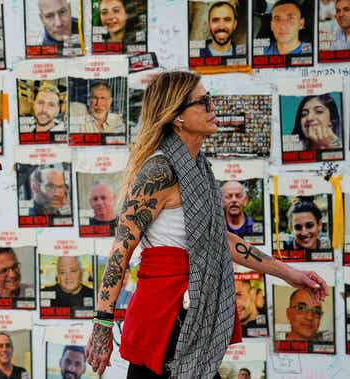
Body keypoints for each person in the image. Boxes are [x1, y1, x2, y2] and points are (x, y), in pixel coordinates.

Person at [85, 71, 328, 378]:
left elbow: (221, 240)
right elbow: (121, 249)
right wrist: (102, 324)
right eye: (203, 102)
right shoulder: (159, 170)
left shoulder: (200, 168)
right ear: (177, 117)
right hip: (166, 316)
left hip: (192, 312)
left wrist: (289, 274)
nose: (213, 108)